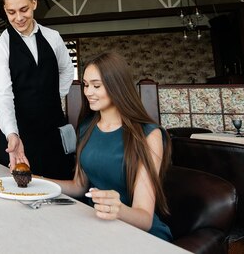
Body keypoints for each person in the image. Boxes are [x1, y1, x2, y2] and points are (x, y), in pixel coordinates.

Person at [49, 51, 172, 241]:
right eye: (86, 85)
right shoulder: (85, 128)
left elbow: (145, 218)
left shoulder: (149, 135)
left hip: (139, 234)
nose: (88, 92)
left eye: (96, 86)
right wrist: (36, 180)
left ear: (117, 86)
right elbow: (79, 186)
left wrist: (119, 209)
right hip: (96, 226)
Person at [0, 0, 75, 179]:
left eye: (24, 9)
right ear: (5, 10)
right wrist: (12, 134)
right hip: (20, 135)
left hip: (53, 130)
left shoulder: (53, 37)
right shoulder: (1, 47)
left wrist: (52, 96)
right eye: (11, 12)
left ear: (34, 4)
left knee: (59, 184)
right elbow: (2, 95)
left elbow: (67, 70)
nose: (18, 17)